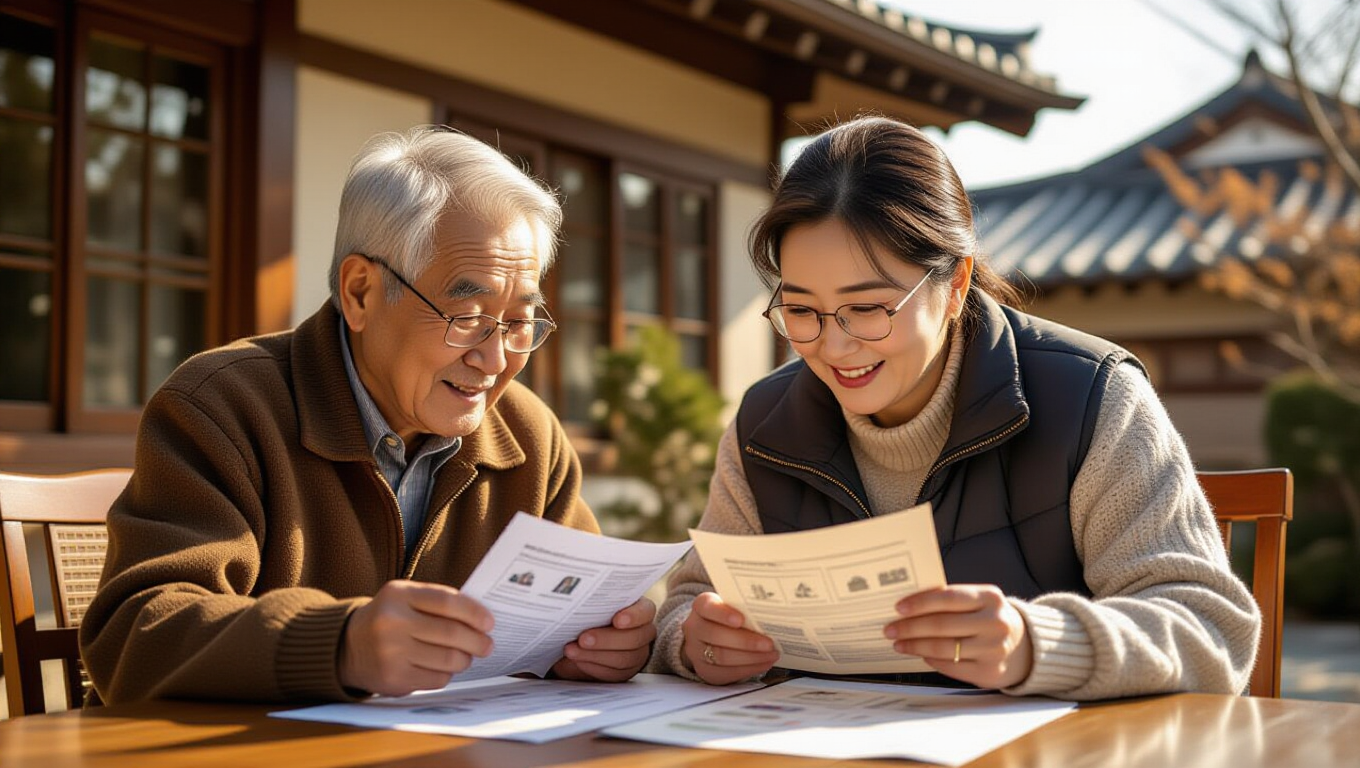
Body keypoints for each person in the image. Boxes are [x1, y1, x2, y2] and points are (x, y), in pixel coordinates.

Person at [652, 116, 1260, 701]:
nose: (833, 346)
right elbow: (688, 604)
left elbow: (1210, 627)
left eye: (868, 308)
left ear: (956, 285)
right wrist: (694, 641)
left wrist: (1036, 645)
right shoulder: (765, 424)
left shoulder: (1091, 399)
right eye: (802, 310)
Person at [80, 126, 656, 704]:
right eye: (468, 315)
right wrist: (340, 644)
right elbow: (134, 634)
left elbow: (583, 614)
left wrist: (603, 647)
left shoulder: (528, 435)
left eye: (520, 320)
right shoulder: (222, 406)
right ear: (360, 292)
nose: (496, 357)